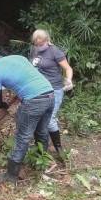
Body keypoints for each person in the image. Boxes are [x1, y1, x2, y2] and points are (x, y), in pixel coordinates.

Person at [0, 49, 55, 184]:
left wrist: (4, 105)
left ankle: (11, 175)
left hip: (34, 101)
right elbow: (28, 76)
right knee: (41, 131)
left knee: (22, 137)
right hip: (49, 94)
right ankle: (39, 163)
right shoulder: (18, 57)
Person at [30, 29, 73, 159]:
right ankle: (41, 148)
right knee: (38, 118)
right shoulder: (34, 50)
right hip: (38, 89)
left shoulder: (55, 51)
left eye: (41, 44)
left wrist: (69, 80)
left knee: (50, 120)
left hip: (54, 89)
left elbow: (68, 68)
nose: (39, 46)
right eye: (36, 44)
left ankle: (58, 148)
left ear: (47, 40)